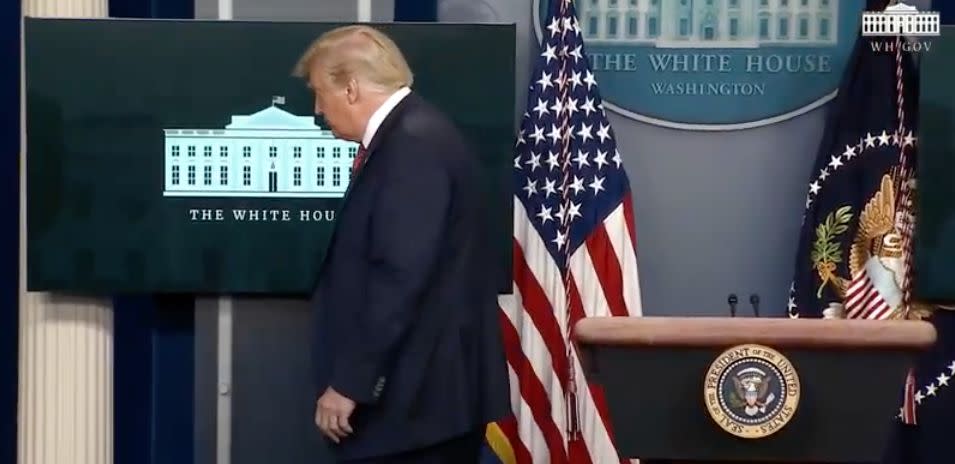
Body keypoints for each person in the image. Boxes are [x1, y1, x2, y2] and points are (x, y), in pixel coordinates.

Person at [292, 25, 510, 463]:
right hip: (419, 407)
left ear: (351, 88)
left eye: (320, 93)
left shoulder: (412, 145)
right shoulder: (416, 134)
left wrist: (351, 382)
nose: (317, 109)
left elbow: (400, 276)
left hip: (414, 412)